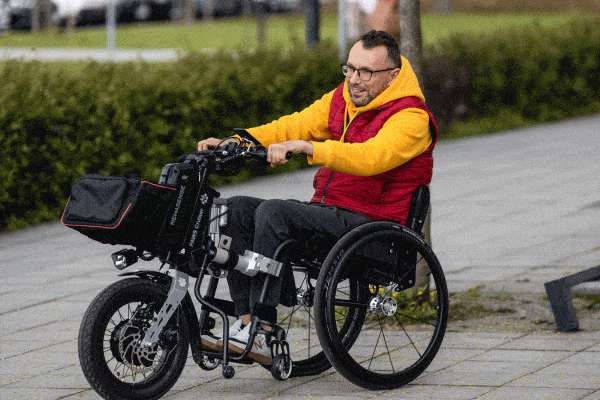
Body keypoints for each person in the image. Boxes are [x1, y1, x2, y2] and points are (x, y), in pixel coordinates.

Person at [197, 30, 438, 365]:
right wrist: (239, 140)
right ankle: (246, 324)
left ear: (393, 76)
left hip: (375, 230)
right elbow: (293, 125)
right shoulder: (344, 99)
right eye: (350, 69)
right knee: (236, 209)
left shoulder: (412, 118)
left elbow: (372, 157)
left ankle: (264, 331)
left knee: (274, 212)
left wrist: (311, 148)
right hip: (332, 215)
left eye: (365, 72)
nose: (354, 79)